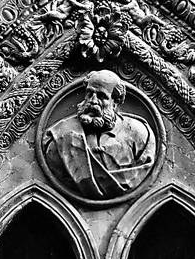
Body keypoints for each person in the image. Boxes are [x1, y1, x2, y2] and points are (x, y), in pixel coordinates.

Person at [42, 70, 156, 200]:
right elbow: (58, 169)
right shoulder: (60, 136)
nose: (93, 101)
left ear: (115, 101)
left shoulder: (139, 133)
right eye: (89, 93)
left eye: (101, 96)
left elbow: (142, 169)